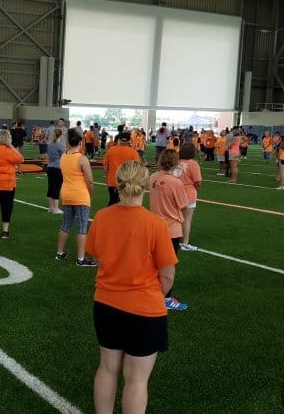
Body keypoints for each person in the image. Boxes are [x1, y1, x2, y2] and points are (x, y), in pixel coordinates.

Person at [85, 160, 177, 414]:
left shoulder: (102, 216)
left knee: (107, 367)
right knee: (136, 380)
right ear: (146, 185)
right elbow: (167, 275)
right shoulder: (155, 224)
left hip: (106, 305)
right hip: (145, 309)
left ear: (118, 183)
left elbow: (93, 255)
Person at [149, 150, 189, 311]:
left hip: (154, 227)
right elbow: (183, 204)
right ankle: (165, 298)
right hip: (171, 228)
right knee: (168, 266)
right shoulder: (175, 182)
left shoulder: (153, 177)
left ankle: (153, 292)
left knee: (153, 264)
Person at [55, 129, 95, 266]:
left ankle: (59, 253)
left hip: (66, 193)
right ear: (80, 142)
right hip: (80, 195)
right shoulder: (82, 158)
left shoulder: (64, 156)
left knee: (66, 224)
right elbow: (90, 181)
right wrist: (90, 194)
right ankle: (81, 258)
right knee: (82, 227)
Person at [103, 132, 139, 206]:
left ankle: (108, 216)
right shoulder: (133, 152)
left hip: (112, 181)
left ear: (119, 140)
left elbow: (106, 167)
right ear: (129, 140)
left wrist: (107, 178)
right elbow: (136, 169)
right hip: (127, 182)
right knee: (124, 204)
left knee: (113, 201)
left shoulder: (111, 150)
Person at [178, 143, 202, 251]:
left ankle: (173, 238)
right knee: (187, 219)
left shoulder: (176, 162)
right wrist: (195, 189)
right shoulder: (193, 164)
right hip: (189, 192)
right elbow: (198, 181)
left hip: (176, 192)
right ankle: (185, 243)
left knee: (176, 217)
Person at [46, 128, 65, 214]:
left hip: (50, 167)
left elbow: (48, 154)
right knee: (56, 188)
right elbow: (64, 156)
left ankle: (50, 207)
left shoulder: (49, 144)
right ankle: (56, 208)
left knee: (50, 187)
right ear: (61, 135)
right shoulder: (61, 145)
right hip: (57, 168)